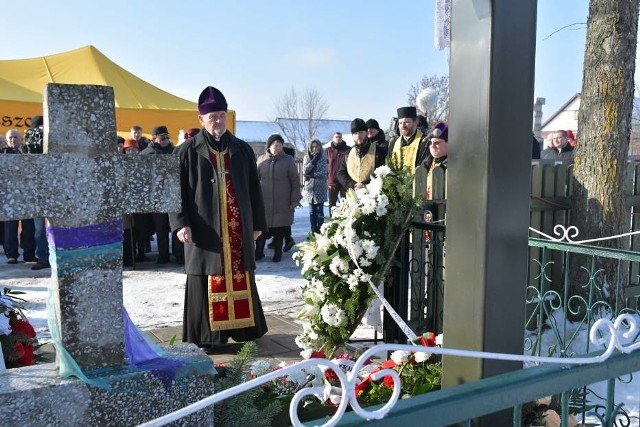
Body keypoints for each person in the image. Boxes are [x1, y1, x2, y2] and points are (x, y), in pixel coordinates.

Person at [170, 85, 268, 350]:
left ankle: (244, 332)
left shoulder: (242, 149)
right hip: (205, 229)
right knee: (208, 275)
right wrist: (180, 223)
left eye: (222, 115)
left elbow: (254, 188)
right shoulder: (186, 152)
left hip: (237, 228)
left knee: (239, 274)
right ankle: (209, 336)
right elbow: (174, 193)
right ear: (201, 119)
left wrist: (258, 223)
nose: (218, 121)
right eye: (212, 117)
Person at [140, 125, 183, 264]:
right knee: (160, 229)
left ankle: (179, 255)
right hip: (156, 197)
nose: (165, 140)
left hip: (173, 194)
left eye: (167, 137)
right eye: (162, 138)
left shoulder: (175, 152)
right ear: (154, 138)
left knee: (176, 226)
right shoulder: (146, 154)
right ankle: (163, 255)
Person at [255, 134, 301, 262]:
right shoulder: (261, 160)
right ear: (269, 146)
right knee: (262, 228)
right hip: (264, 201)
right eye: (275, 145)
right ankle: (258, 252)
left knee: (279, 229)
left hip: (282, 201)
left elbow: (295, 181)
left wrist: (294, 199)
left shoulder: (288, 160)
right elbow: (254, 179)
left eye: (280, 145)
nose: (278, 147)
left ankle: (278, 253)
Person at [3, 130, 36, 264]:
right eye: (10, 138)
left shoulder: (27, 152)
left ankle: (29, 254)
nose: (13, 140)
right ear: (6, 140)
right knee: (10, 228)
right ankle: (11, 255)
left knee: (28, 227)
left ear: (20, 139)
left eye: (15, 137)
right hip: (10, 196)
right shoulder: (3, 154)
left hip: (26, 196)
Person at [337, 118, 386, 190]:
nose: (358, 136)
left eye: (361, 132)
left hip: (373, 194)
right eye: (355, 133)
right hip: (352, 194)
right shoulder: (348, 153)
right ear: (352, 136)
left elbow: (381, 173)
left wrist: (365, 184)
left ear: (366, 132)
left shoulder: (379, 152)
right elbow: (341, 173)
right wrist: (352, 185)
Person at [387, 106, 430, 171]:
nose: (403, 126)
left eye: (406, 122)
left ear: (415, 122)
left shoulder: (425, 142)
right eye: (400, 123)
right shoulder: (393, 143)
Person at [303, 139, 328, 234]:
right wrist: (313, 161)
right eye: (313, 147)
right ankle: (313, 229)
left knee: (320, 210)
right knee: (312, 211)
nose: (314, 148)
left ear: (319, 147)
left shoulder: (323, 158)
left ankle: (320, 228)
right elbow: (305, 170)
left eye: (316, 146)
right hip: (310, 188)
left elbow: (323, 173)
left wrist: (312, 175)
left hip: (320, 187)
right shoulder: (306, 157)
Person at [325, 132, 349, 216]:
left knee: (345, 202)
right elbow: (325, 166)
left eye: (339, 137)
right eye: (336, 137)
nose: (338, 138)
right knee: (332, 204)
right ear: (333, 138)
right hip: (332, 181)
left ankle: (345, 220)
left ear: (342, 138)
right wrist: (327, 180)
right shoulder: (328, 151)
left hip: (344, 180)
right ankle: (332, 221)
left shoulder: (347, 149)